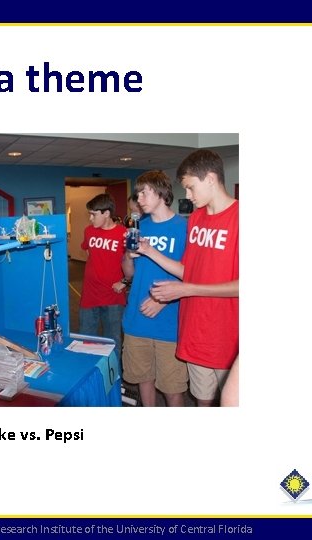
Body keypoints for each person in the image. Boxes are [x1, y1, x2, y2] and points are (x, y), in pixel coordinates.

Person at [137, 149, 239, 406]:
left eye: (191, 187)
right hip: (195, 331)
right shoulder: (195, 219)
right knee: (202, 402)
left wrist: (187, 289)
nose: (188, 195)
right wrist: (149, 251)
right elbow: (187, 271)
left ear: (210, 179)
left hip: (229, 336)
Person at [122, 170, 188, 406]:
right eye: (137, 194)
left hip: (169, 324)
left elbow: (192, 275)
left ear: (161, 192)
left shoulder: (185, 228)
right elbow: (128, 274)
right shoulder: (139, 227)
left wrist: (163, 300)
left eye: (144, 193)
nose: (139, 199)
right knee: (144, 380)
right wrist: (129, 256)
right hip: (136, 319)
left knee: (173, 389)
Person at [79, 193, 127, 355]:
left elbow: (134, 263)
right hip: (90, 295)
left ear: (106, 213)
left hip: (113, 296)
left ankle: (113, 371)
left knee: (112, 341)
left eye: (94, 214)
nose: (90, 218)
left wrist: (124, 282)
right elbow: (89, 252)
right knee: (86, 340)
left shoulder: (124, 234)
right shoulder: (89, 231)